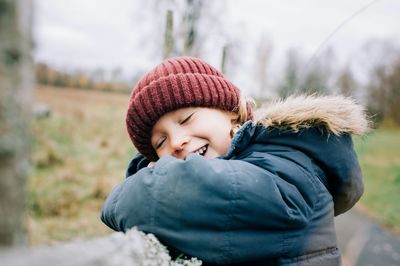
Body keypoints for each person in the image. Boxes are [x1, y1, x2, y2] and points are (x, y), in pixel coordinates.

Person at [101, 56, 368, 265]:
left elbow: (155, 196)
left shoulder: (289, 166)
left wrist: (126, 191)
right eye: (160, 142)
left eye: (186, 119)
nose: (176, 142)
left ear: (230, 113)